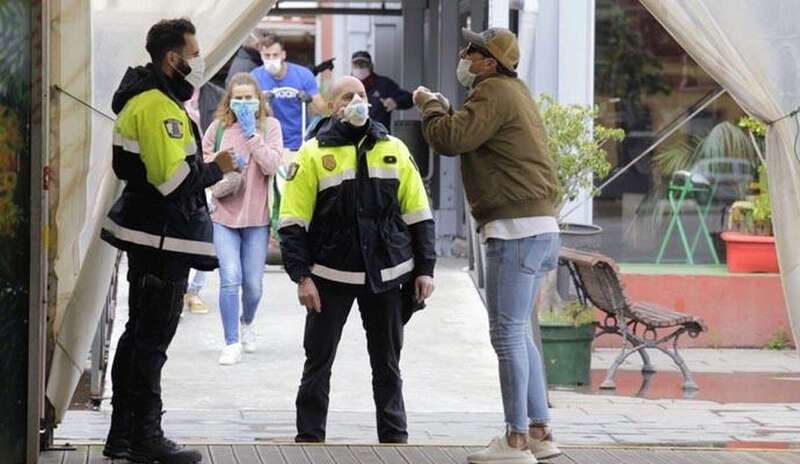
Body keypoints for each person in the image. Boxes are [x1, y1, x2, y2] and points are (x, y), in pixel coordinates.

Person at [414, 27, 562, 464]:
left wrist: (431, 106)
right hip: (538, 226)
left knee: (507, 333)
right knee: (520, 333)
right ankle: (539, 431)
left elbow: (450, 139)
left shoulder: (493, 91)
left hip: (516, 228)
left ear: (489, 62)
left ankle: (516, 440)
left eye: (471, 50)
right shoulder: (514, 92)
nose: (463, 54)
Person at [100, 18, 236, 464]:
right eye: (194, 55)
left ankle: (124, 435)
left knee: (137, 336)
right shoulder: (158, 107)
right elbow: (173, 182)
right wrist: (220, 166)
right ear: (172, 58)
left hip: (152, 236)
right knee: (151, 340)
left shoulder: (151, 100)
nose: (199, 64)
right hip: (161, 239)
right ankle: (146, 437)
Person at [278, 76, 436, 444]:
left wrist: (425, 269)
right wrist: (301, 277)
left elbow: (419, 214)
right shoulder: (312, 153)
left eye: (362, 95)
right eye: (348, 96)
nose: (358, 101)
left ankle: (395, 439)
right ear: (334, 107)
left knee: (388, 364)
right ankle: (310, 438)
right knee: (318, 362)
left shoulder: (393, 148)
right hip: (329, 276)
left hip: (387, 274)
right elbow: (292, 222)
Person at [203, 73, 283, 365]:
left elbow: (273, 163)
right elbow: (204, 161)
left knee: (253, 285)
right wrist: (225, 161)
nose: (244, 103)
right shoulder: (218, 128)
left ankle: (247, 322)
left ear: (259, 99)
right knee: (230, 278)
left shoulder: (270, 127)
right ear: (229, 101)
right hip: (224, 216)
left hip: (257, 218)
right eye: (239, 98)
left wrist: (253, 137)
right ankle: (231, 341)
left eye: (250, 98)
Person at [251, 33, 327, 151]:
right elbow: (251, 113)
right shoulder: (255, 77)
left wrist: (309, 99)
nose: (271, 59)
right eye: (267, 56)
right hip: (269, 142)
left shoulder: (303, 75)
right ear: (261, 56)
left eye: (275, 55)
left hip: (299, 141)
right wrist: (262, 103)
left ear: (283, 55)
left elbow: (322, 109)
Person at [351, 50, 413, 132]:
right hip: (352, 137)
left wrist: (396, 102)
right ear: (352, 67)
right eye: (356, 65)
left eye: (363, 64)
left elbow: (409, 98)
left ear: (370, 66)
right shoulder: (346, 86)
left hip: (379, 137)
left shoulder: (383, 84)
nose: (359, 68)